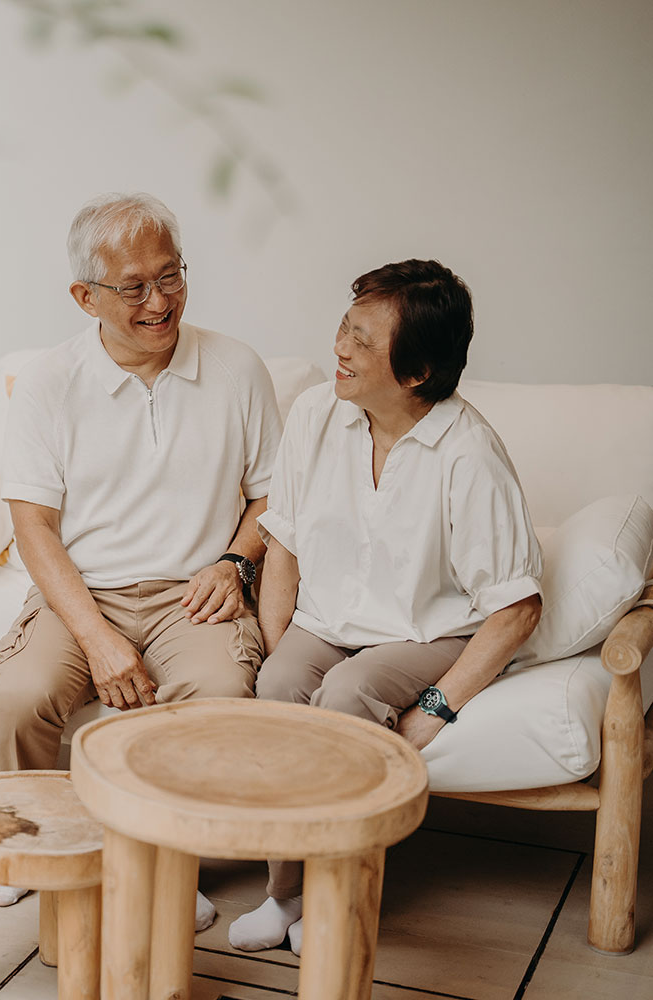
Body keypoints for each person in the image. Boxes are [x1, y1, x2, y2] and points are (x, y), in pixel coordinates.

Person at [228, 259, 543, 955]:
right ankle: (284, 894)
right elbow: (282, 546)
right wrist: (282, 646)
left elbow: (517, 607)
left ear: (416, 372)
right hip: (331, 617)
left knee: (348, 692)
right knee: (279, 686)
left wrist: (435, 711)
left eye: (364, 342)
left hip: (430, 629)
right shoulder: (317, 413)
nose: (340, 347)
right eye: (345, 326)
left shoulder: (468, 453)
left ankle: (340, 896)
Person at [0, 192, 281, 917]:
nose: (158, 302)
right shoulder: (50, 381)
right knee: (18, 699)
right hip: (84, 590)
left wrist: (235, 563)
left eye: (170, 276)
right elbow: (34, 528)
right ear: (85, 297)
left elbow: (276, 497)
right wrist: (98, 638)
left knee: (218, 701)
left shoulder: (237, 368)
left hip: (194, 594)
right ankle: (31, 835)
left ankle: (167, 863)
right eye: (133, 287)